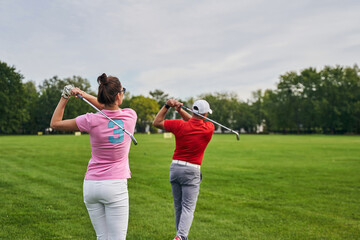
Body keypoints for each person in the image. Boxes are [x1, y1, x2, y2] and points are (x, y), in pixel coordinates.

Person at [50, 73, 137, 240]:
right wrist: (83, 94)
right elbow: (107, 106)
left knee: (102, 237)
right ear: (119, 96)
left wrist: (65, 96)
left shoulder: (90, 120)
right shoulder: (130, 116)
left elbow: (55, 123)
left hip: (91, 185)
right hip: (115, 185)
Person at [153, 99, 215, 240]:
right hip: (191, 171)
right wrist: (181, 111)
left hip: (175, 168)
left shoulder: (179, 125)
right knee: (188, 208)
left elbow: (156, 123)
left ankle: (179, 236)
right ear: (205, 113)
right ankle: (180, 236)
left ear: (193, 111)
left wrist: (167, 106)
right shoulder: (209, 128)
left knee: (178, 207)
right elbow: (196, 122)